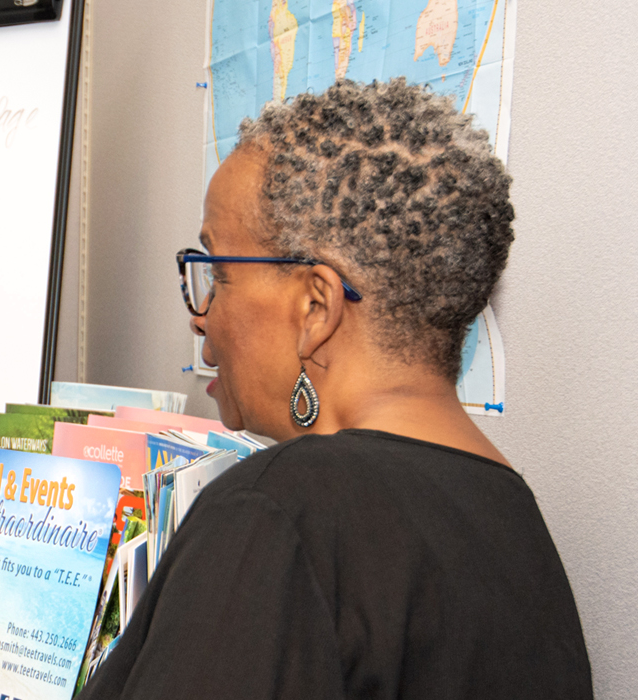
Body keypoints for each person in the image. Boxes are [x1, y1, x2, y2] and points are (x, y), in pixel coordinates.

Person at [81, 79, 591, 698]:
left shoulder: (276, 510)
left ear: (316, 307)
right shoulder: (515, 519)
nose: (200, 313)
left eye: (217, 271)